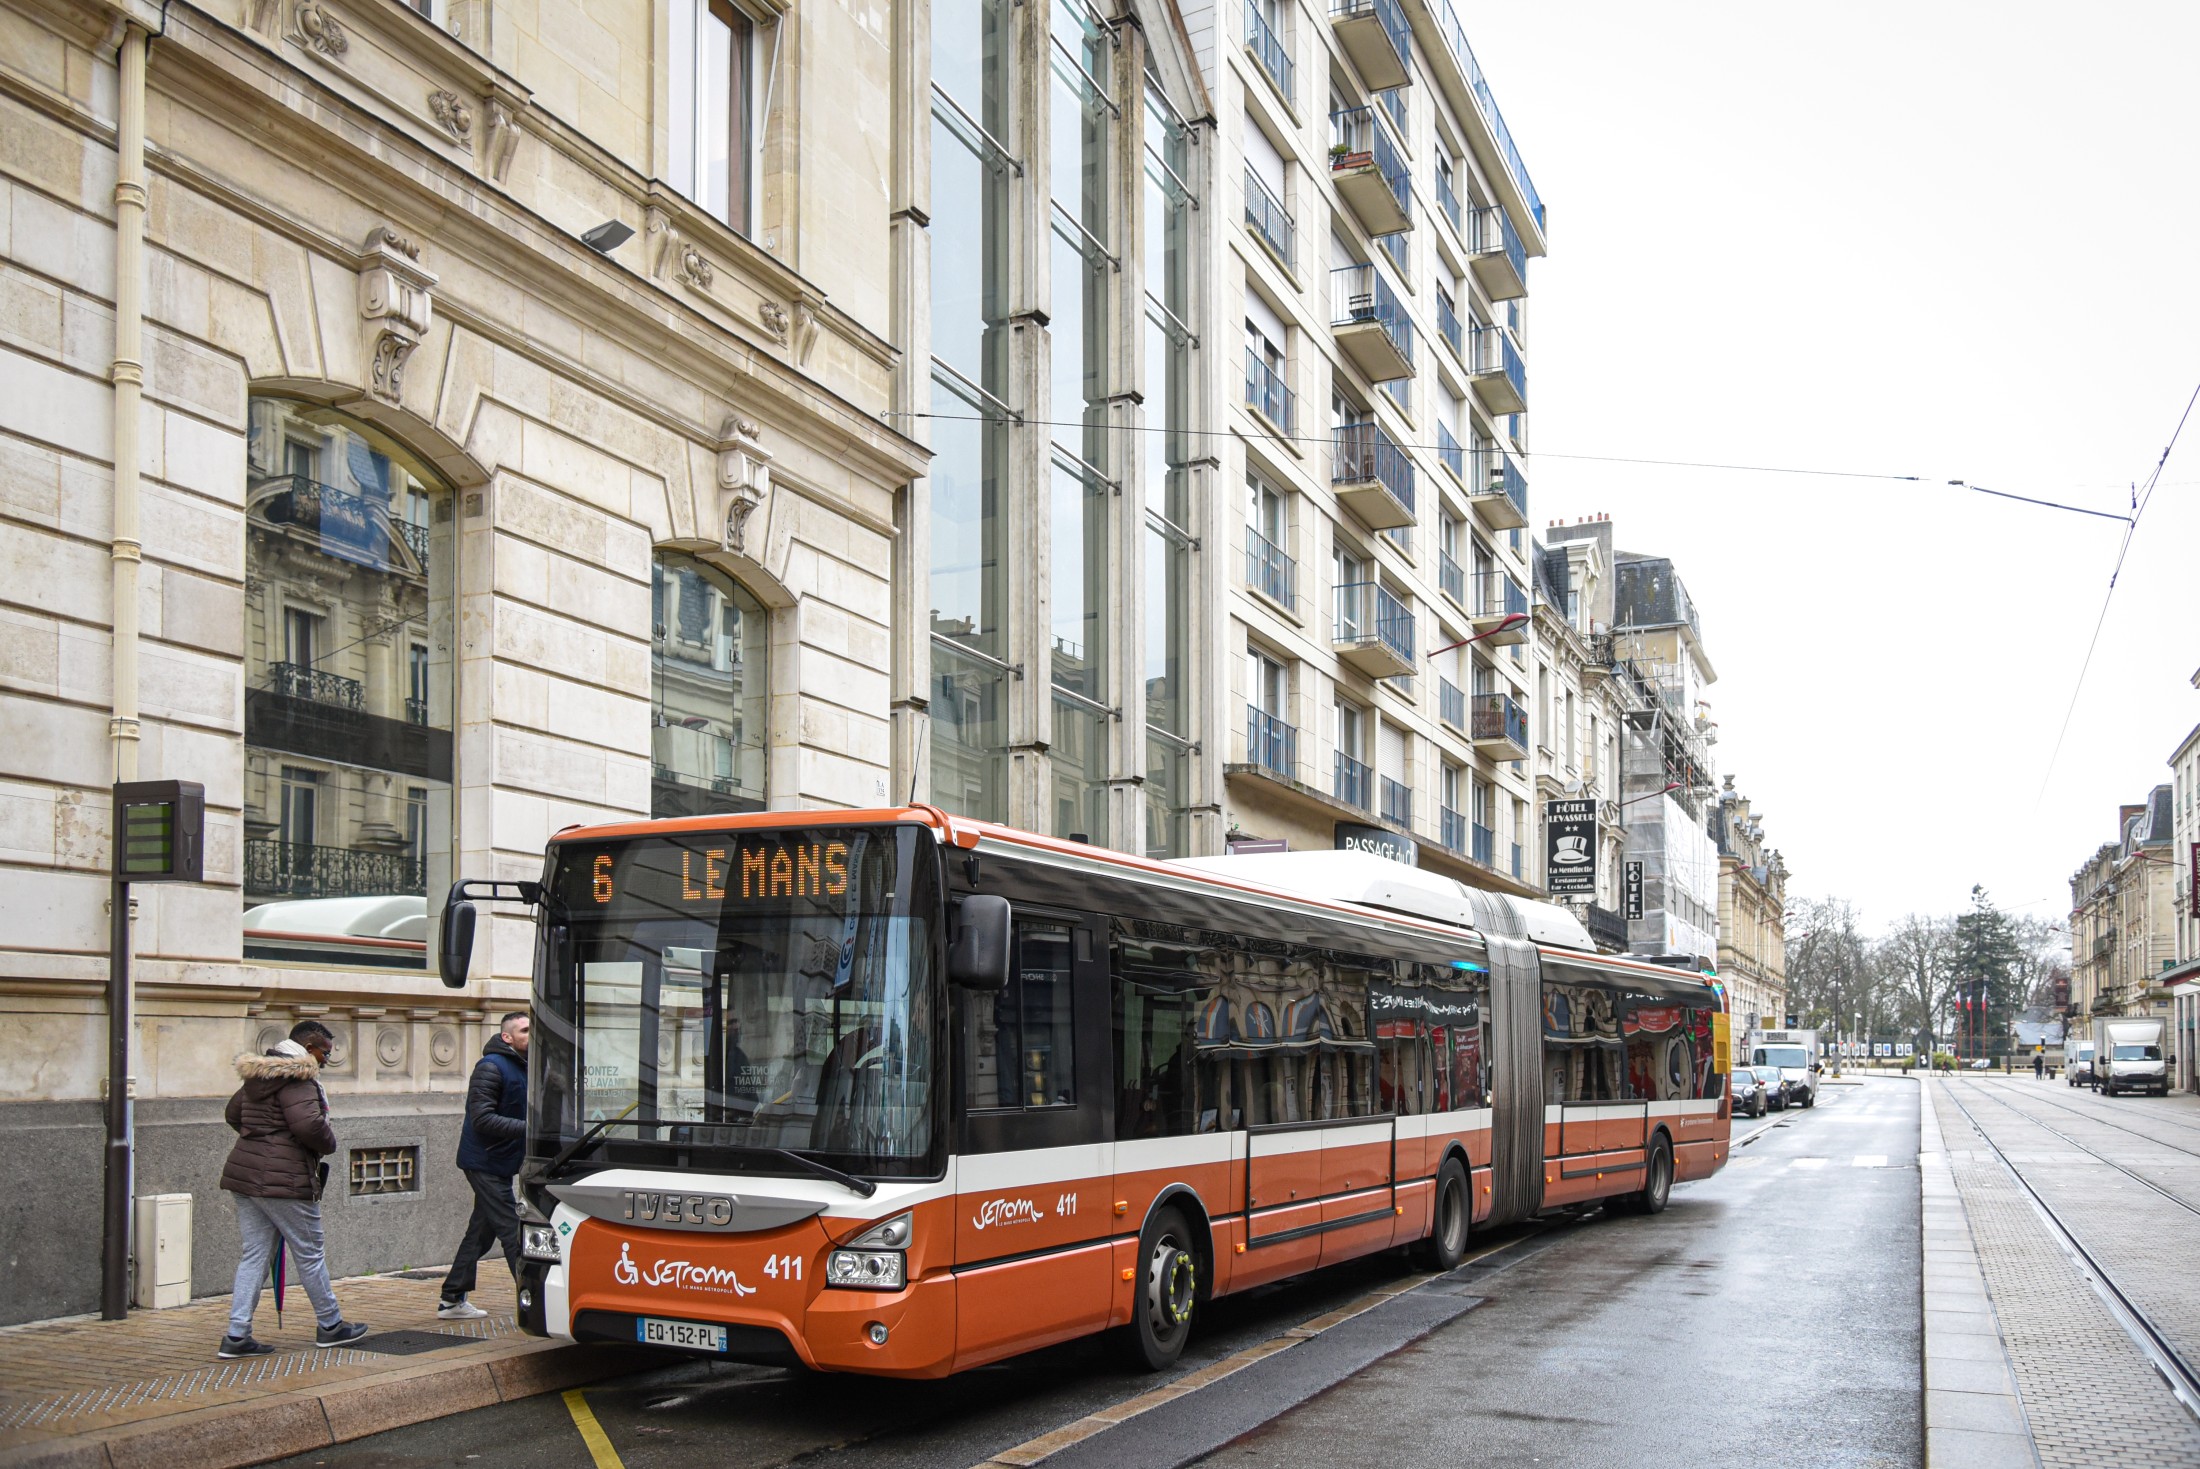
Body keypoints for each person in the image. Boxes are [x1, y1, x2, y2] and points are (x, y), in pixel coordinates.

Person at [218, 1020, 369, 1358]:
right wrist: (327, 1144)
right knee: (310, 1252)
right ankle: (331, 1325)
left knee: (254, 1255)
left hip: (246, 1175)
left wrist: (262, 1139)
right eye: (325, 1053)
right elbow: (310, 1125)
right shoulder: (299, 1078)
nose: (327, 1060)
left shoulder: (260, 1075)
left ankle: (237, 1335)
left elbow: (233, 1114)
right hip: (284, 1180)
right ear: (308, 1047)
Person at [438, 1013, 530, 1319]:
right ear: (507, 1037)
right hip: (484, 1162)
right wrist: (531, 1129)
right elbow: (482, 1118)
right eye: (525, 1030)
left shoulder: (525, 1066)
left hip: (501, 1162)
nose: (532, 1034)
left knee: (480, 1232)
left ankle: (451, 1299)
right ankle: (535, 1299)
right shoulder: (490, 1067)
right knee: (512, 1230)